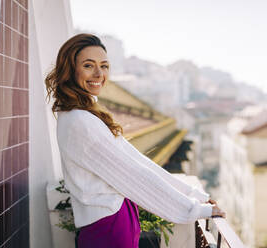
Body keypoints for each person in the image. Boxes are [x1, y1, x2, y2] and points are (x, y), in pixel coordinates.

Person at [45, 33, 225, 248]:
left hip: (110, 222)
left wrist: (192, 195)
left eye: (104, 66)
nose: (98, 74)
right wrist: (195, 209)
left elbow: (136, 161)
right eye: (88, 65)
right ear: (70, 69)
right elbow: (133, 174)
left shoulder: (80, 115)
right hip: (108, 228)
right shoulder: (80, 121)